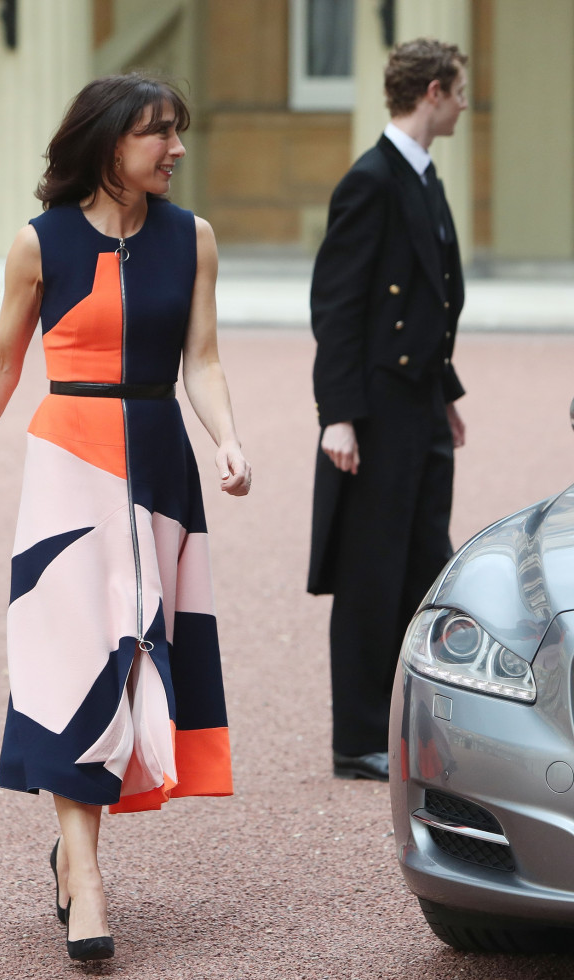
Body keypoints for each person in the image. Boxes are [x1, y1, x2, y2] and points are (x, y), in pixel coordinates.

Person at [0, 72, 251, 963]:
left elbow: (205, 359)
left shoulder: (194, 238)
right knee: (68, 668)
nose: (178, 150)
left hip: (160, 466)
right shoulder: (39, 245)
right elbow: (2, 363)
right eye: (162, 134)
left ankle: (75, 858)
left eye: (179, 133)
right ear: (114, 141)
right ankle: (85, 880)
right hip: (68, 470)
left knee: (130, 665)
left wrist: (226, 438)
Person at [307, 39, 468, 782]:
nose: (465, 105)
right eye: (459, 92)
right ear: (433, 92)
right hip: (373, 411)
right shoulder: (371, 179)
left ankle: (412, 726)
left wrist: (448, 390)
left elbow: (428, 292)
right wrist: (336, 413)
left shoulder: (421, 176)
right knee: (372, 573)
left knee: (426, 565)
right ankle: (358, 738)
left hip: (420, 403)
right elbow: (338, 305)